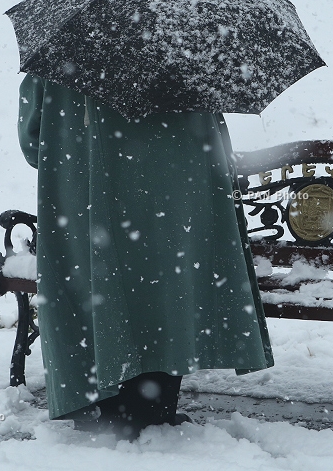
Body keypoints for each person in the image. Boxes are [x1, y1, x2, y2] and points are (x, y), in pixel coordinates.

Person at [17, 74, 274, 438]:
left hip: (87, 200)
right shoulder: (181, 49)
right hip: (173, 202)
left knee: (95, 289)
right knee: (167, 294)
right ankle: (153, 404)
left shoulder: (61, 63)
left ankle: (100, 401)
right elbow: (215, 139)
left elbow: (33, 145)